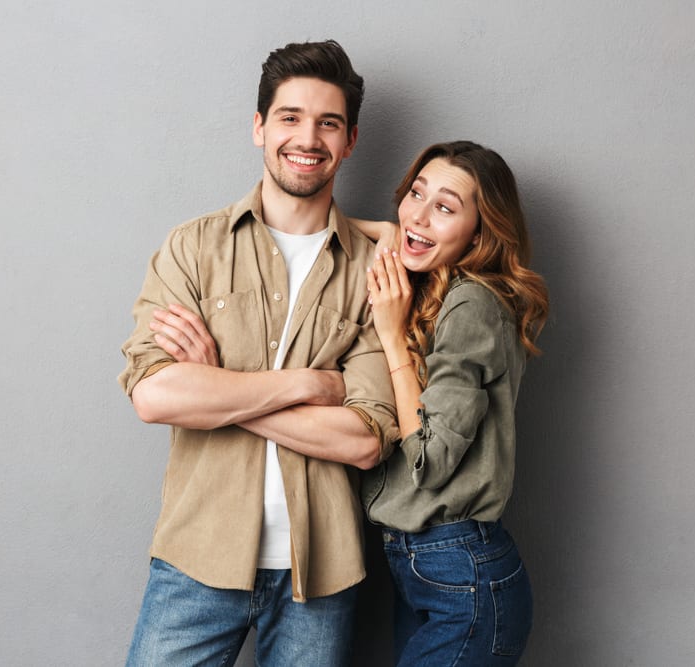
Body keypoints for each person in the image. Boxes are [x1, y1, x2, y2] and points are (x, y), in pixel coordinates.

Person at [117, 40, 399, 667]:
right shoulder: (193, 247)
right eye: (290, 117)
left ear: (350, 141)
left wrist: (216, 387)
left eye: (328, 122)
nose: (309, 137)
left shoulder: (376, 270)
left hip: (321, 575)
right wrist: (307, 385)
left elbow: (364, 439)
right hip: (197, 557)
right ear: (259, 127)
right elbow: (155, 394)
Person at [357, 140, 550, 665]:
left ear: (480, 232)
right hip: (431, 567)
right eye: (415, 194)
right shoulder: (442, 291)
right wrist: (392, 231)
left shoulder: (470, 303)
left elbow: (431, 457)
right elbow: (382, 229)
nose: (419, 215)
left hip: (460, 574)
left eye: (445, 208)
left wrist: (392, 335)